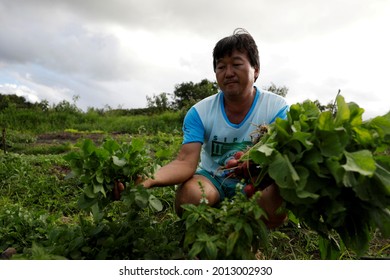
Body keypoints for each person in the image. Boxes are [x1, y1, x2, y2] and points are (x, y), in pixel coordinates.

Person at [142, 28, 289, 228]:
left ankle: (251, 239)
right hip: (213, 179)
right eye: (221, 67)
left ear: (255, 70)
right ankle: (206, 236)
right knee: (190, 197)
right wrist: (149, 180)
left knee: (274, 207)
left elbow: (284, 160)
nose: (228, 73)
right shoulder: (200, 112)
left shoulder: (277, 109)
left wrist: (253, 170)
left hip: (256, 182)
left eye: (237, 64)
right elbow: (185, 162)